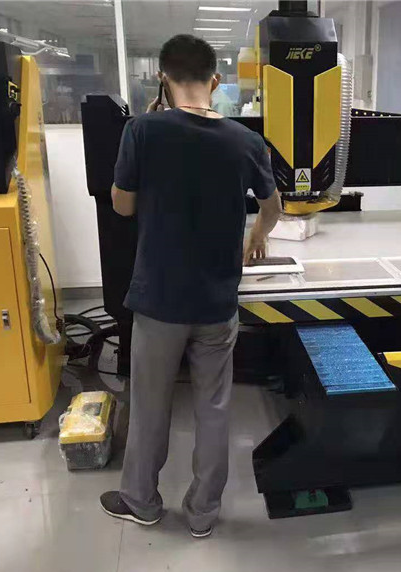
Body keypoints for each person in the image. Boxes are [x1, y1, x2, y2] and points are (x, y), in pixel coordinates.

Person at [100, 34, 282, 538]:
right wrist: (256, 237)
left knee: (150, 406)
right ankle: (203, 513)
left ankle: (141, 501)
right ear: (215, 81)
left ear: (162, 78)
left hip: (159, 300)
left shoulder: (142, 130)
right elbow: (273, 207)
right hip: (217, 303)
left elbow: (122, 205)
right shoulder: (245, 140)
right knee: (215, 408)